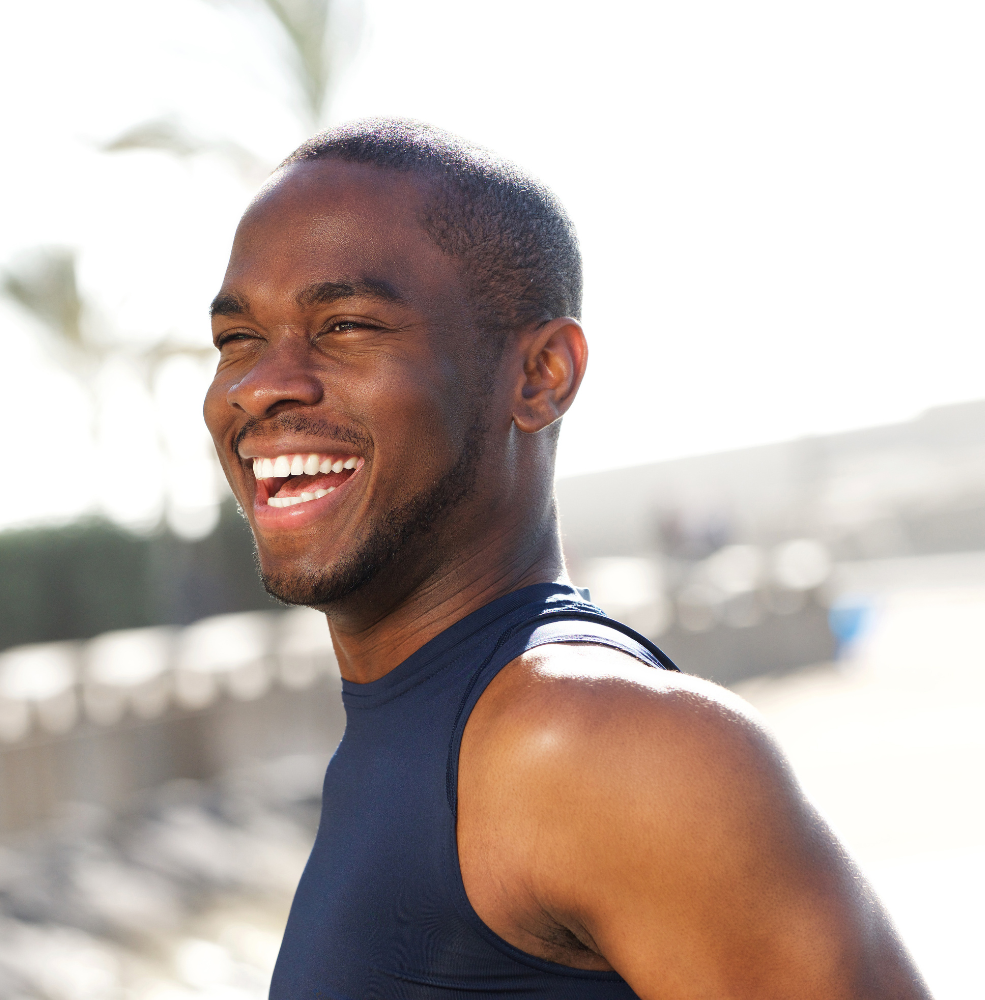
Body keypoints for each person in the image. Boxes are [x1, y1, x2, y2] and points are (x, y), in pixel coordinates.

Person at [204, 119, 931, 999]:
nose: (259, 383)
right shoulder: (419, 727)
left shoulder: (594, 746)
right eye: (237, 340)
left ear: (541, 374)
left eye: (346, 325)